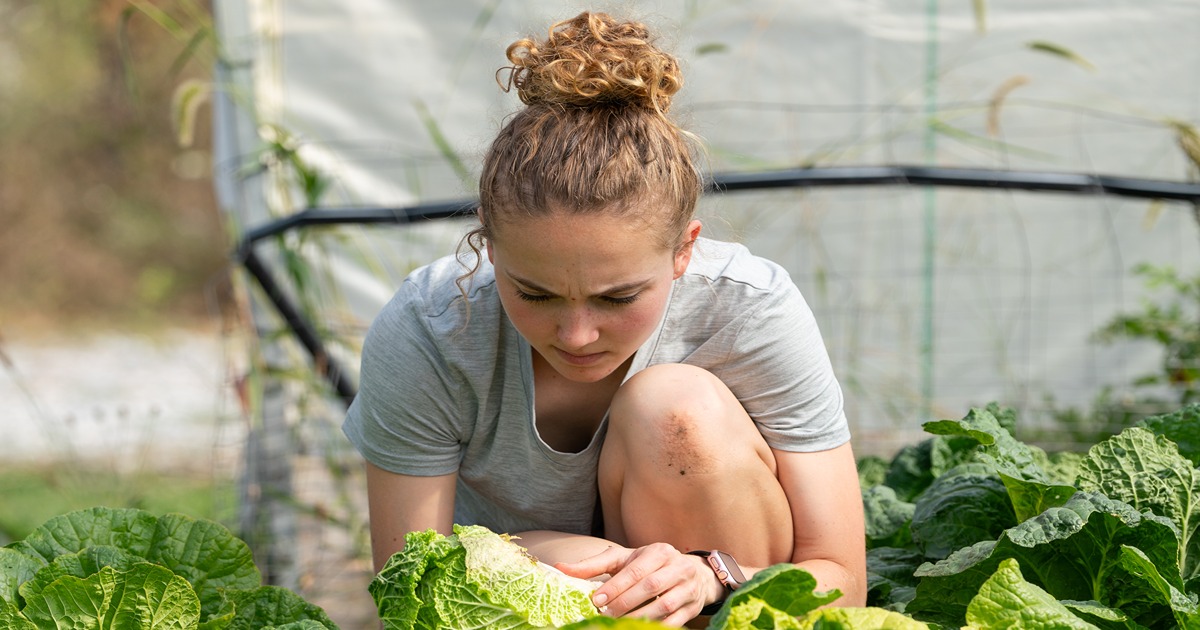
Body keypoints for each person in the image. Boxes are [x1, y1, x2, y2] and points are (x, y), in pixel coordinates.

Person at [343, 10, 866, 626]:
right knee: (543, 557)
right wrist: (578, 566)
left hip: (718, 594)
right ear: (487, 246)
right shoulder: (431, 328)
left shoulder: (749, 308)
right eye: (534, 293)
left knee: (676, 409)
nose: (576, 335)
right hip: (534, 601)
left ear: (683, 251)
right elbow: (408, 585)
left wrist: (710, 574)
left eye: (617, 298)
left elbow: (841, 580)